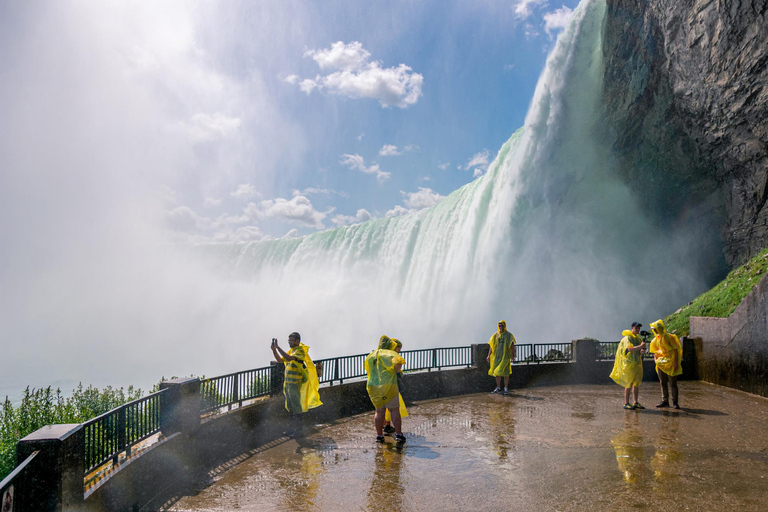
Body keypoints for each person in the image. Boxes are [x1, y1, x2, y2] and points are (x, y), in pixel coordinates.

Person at [270, 332, 322, 432]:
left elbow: (289, 358)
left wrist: (278, 347)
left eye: (291, 340)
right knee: (290, 408)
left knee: (296, 408)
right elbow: (280, 360)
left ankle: (298, 430)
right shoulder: (291, 351)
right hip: (288, 384)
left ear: (297, 341)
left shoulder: (300, 351)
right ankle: (291, 429)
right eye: (289, 340)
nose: (290, 342)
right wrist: (274, 350)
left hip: (295, 384)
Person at [365, 335, 407, 445]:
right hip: (388, 386)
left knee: (379, 412)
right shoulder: (389, 354)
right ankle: (399, 435)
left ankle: (379, 436)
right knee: (394, 410)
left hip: (373, 386)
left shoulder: (371, 355)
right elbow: (397, 368)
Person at [609, 322, 646, 409]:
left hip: (637, 364)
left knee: (636, 383)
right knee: (628, 383)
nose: (638, 330)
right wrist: (640, 347)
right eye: (636, 328)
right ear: (632, 328)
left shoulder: (637, 338)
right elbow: (629, 349)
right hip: (629, 364)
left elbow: (639, 350)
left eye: (639, 328)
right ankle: (626, 403)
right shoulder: (627, 338)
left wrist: (641, 351)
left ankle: (635, 402)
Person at [649, 319, 682, 409]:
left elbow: (676, 350)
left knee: (673, 383)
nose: (654, 331)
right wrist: (656, 360)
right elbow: (655, 352)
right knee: (663, 382)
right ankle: (665, 401)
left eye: (655, 329)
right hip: (661, 364)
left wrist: (676, 363)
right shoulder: (655, 340)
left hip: (670, 363)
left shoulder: (670, 337)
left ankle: (675, 401)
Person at [383, 338, 406, 435]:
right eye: (399, 348)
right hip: (391, 384)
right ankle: (397, 432)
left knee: (382, 409)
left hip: (380, 385)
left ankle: (386, 426)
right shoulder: (392, 356)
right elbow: (396, 370)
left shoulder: (382, 355)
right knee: (393, 408)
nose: (400, 351)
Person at [487, 320, 516, 395]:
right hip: (497, 357)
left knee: (506, 373)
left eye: (502, 325)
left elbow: (512, 345)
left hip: (505, 357)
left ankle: (506, 388)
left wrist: (513, 356)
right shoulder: (495, 335)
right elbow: (491, 346)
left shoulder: (508, 335)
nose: (500, 327)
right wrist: (488, 355)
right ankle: (498, 387)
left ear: (505, 326)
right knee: (497, 373)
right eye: (499, 325)